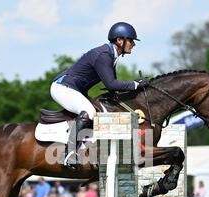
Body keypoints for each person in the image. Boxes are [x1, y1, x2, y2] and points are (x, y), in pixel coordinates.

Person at [50, 22, 150, 170]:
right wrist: (135, 84)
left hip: (74, 89)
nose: (133, 44)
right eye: (131, 40)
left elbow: (112, 89)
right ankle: (69, 153)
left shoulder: (111, 55)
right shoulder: (104, 55)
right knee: (89, 112)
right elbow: (111, 84)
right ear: (119, 40)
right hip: (62, 88)